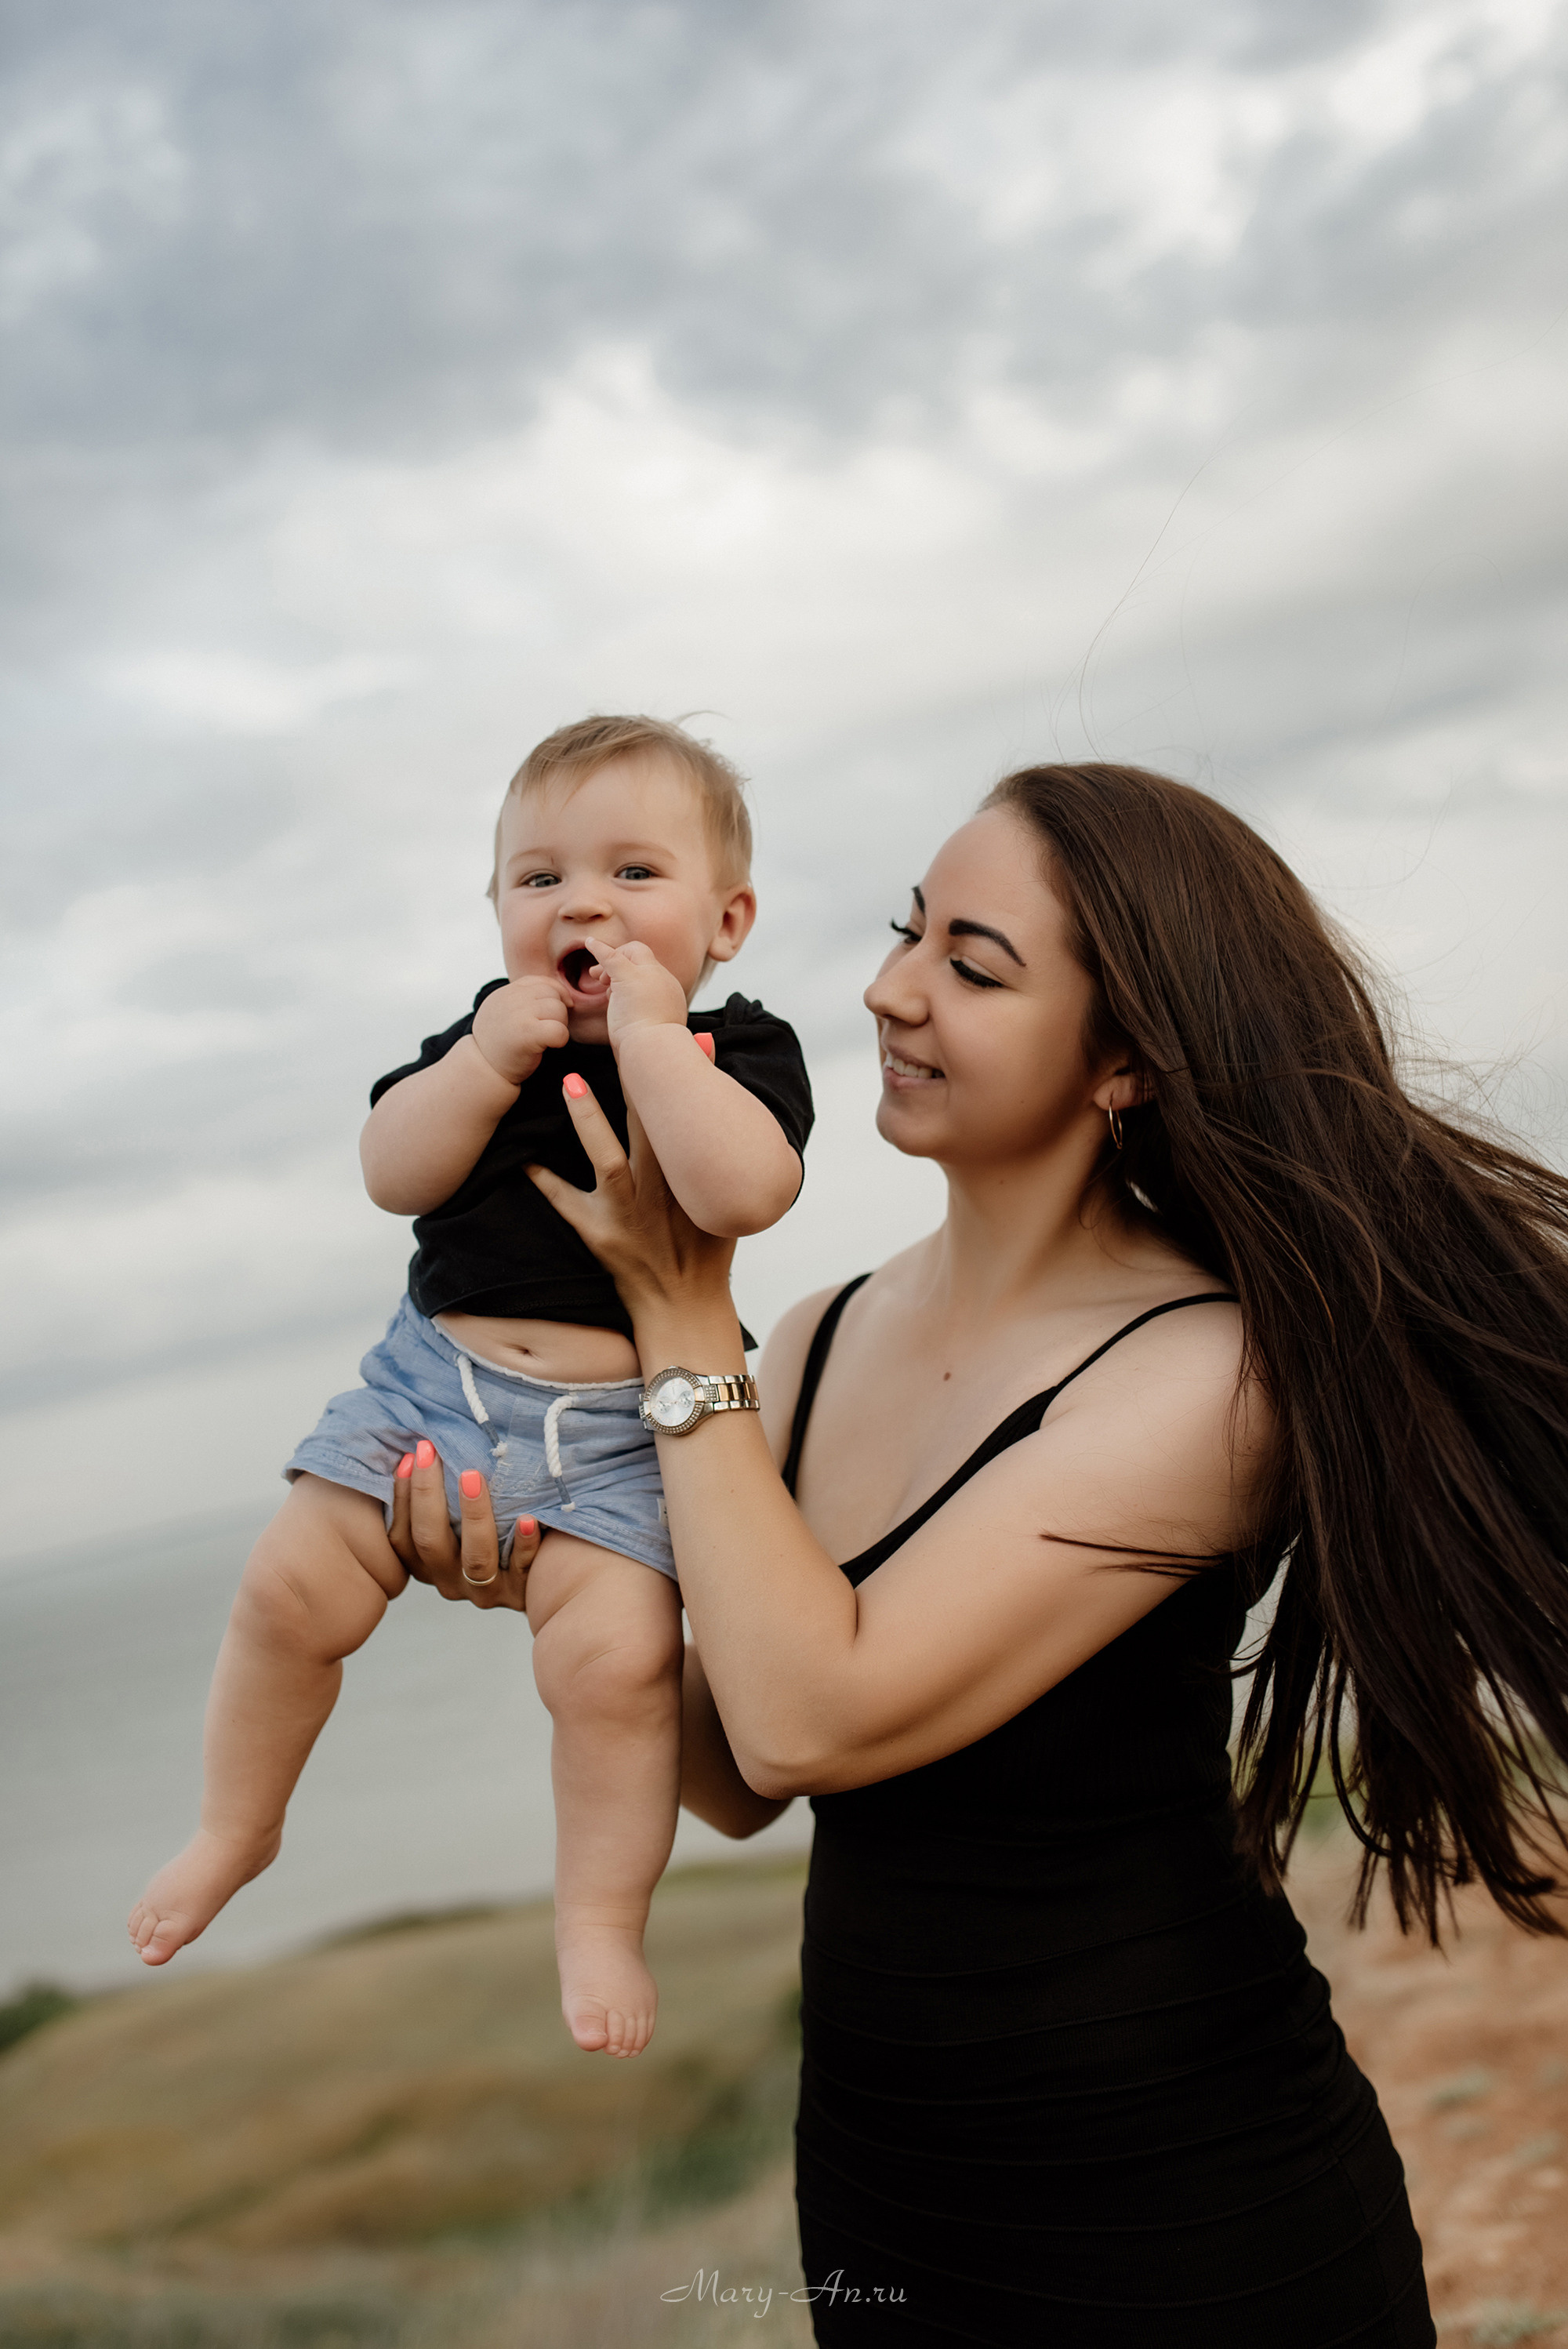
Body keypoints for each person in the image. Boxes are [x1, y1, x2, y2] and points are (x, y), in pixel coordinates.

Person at [395, 759, 1568, 2343]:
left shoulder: (1203, 1373)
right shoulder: (820, 1336)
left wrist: (676, 1310)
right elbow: (740, 1770)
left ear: (1124, 1060)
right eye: (907, 932)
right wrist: (542, 1574)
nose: (891, 990)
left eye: (974, 965)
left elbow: (813, 1718)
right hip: (883, 2185)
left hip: (1188, 2209)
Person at [128, 715, 814, 2063]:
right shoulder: (480, 1042)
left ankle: (599, 1920)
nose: (583, 906)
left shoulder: (738, 1048)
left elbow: (745, 1190)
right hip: (432, 1389)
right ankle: (235, 1827)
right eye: (540, 877)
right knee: (288, 1591)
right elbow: (393, 1171)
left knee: (615, 1671)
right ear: (498, 907)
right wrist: (487, 1062)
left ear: (727, 921)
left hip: (620, 1441)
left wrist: (652, 1040)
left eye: (633, 873)